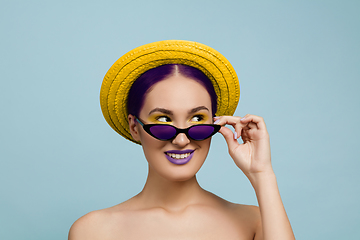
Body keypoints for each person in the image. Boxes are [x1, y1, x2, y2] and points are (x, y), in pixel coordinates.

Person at [68, 40, 295, 239]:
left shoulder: (254, 222)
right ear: (134, 127)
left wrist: (262, 173)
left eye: (197, 118)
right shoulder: (93, 231)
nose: (181, 140)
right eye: (164, 119)